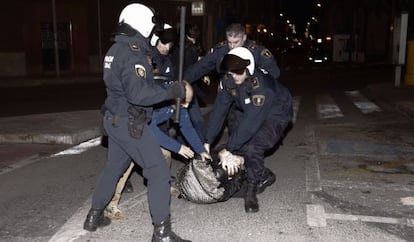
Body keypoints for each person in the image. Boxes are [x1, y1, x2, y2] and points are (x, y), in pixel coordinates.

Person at [82, 3, 191, 242]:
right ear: (142, 25)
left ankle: (94, 215)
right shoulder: (133, 54)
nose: (154, 33)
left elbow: (129, 86)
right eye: (152, 27)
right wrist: (173, 90)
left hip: (114, 121)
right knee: (159, 172)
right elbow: (139, 95)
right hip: (130, 124)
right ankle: (162, 233)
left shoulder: (114, 50)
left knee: (113, 169)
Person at [204, 47, 292, 213]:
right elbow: (218, 112)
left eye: (238, 72)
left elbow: (251, 123)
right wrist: (207, 140)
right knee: (235, 143)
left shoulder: (261, 87)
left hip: (276, 113)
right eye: (231, 72)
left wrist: (229, 149)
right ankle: (264, 174)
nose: (234, 76)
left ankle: (252, 190)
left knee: (252, 145)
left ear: (248, 69)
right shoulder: (229, 79)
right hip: (251, 109)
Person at [183, 23, 281, 134]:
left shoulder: (256, 52)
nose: (232, 46)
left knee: (252, 127)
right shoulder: (221, 50)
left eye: (236, 42)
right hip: (230, 92)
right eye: (230, 42)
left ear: (244, 38)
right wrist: (184, 81)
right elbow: (200, 67)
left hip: (252, 95)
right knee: (232, 124)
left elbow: (274, 74)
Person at [171, 23, 208, 141]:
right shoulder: (187, 48)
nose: (194, 40)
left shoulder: (181, 46)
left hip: (182, 85)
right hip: (186, 86)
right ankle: (201, 145)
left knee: (183, 119)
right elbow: (192, 66)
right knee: (195, 120)